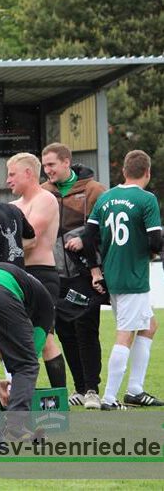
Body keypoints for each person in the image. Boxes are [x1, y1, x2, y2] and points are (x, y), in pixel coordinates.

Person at [73, 150, 162, 409]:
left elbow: (88, 237)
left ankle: (134, 389)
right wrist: (146, 250)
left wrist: (96, 270)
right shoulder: (147, 199)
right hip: (133, 278)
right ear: (147, 173)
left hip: (111, 274)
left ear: (123, 171)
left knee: (149, 326)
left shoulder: (106, 197)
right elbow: (156, 240)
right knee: (125, 334)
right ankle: (110, 398)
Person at [41, 142, 107, 410]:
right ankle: (79, 388)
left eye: (51, 165)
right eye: (44, 166)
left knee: (86, 330)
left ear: (67, 162)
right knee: (65, 332)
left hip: (85, 273)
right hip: (54, 274)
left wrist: (84, 238)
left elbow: (106, 229)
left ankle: (92, 389)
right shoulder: (43, 192)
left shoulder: (94, 190)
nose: (47, 171)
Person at [7, 152, 67, 391]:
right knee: (12, 338)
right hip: (17, 276)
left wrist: (2, 248)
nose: (8, 180)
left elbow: (31, 241)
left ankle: (59, 400)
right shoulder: (13, 206)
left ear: (28, 173)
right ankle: (15, 394)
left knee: (45, 338)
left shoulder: (45, 199)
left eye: (12, 174)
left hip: (42, 275)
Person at [0, 262, 55, 412]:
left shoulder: (29, 290)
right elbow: (30, 356)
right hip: (0, 293)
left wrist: (3, 383)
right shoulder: (45, 310)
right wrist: (16, 388)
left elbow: (3, 345)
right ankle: (16, 426)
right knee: (27, 365)